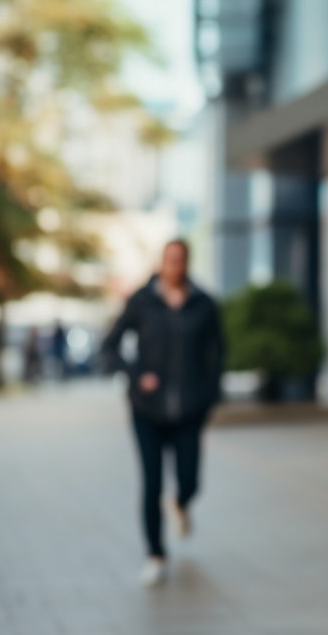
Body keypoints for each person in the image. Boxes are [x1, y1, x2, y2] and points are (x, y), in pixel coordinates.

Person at [101, 238, 224, 586]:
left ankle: (182, 503)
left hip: (189, 410)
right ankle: (155, 554)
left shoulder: (204, 304)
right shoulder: (141, 301)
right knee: (152, 482)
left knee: (190, 481)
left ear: (187, 262)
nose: (175, 266)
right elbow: (109, 347)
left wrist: (210, 395)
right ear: (162, 262)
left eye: (181, 260)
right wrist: (137, 374)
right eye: (169, 260)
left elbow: (218, 351)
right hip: (147, 411)